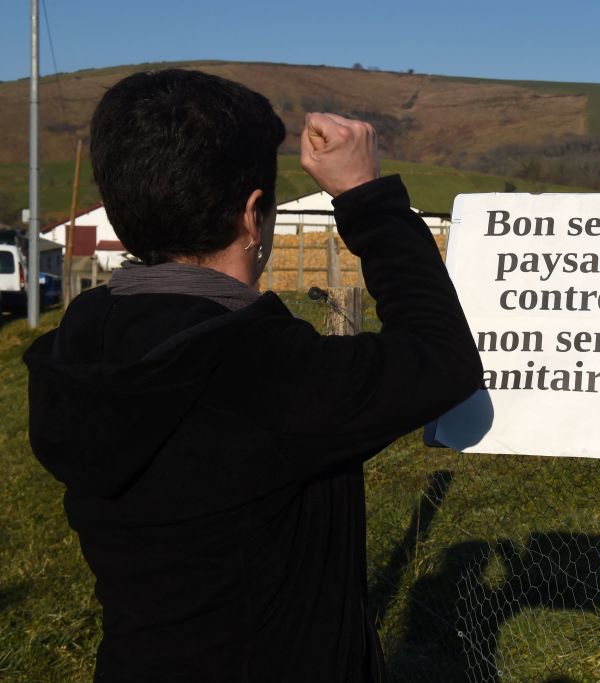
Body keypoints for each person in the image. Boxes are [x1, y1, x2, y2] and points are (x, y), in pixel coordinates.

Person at [22, 69, 482, 681]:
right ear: (254, 215)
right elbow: (441, 358)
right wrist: (365, 195)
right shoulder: (264, 371)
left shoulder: (76, 351)